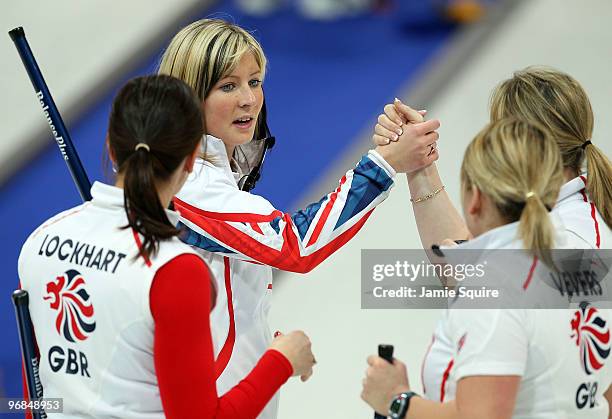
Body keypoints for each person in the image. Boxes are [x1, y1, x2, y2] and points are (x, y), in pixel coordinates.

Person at [158, 18, 441, 419]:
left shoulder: (209, 173)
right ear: (188, 98)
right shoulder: (191, 184)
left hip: (236, 390)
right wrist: (384, 164)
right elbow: (294, 245)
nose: (248, 99)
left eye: (254, 82)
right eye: (228, 86)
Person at [17, 75, 316, 418]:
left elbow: (34, 397)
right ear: (191, 160)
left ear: (112, 149)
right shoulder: (175, 269)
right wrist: (281, 361)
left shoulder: (40, 241)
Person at [371, 66, 612, 411]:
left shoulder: (569, 241)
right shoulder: (564, 223)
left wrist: (397, 402)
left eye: (496, 132)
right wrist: (419, 166)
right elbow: (471, 266)